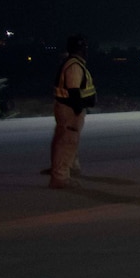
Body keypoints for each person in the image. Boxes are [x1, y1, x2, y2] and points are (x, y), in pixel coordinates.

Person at [48, 34, 95, 188]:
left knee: (66, 140)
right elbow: (74, 90)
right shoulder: (74, 66)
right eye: (84, 47)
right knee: (67, 141)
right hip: (70, 109)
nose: (86, 50)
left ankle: (70, 168)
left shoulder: (72, 63)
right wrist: (77, 108)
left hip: (66, 108)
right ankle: (60, 177)